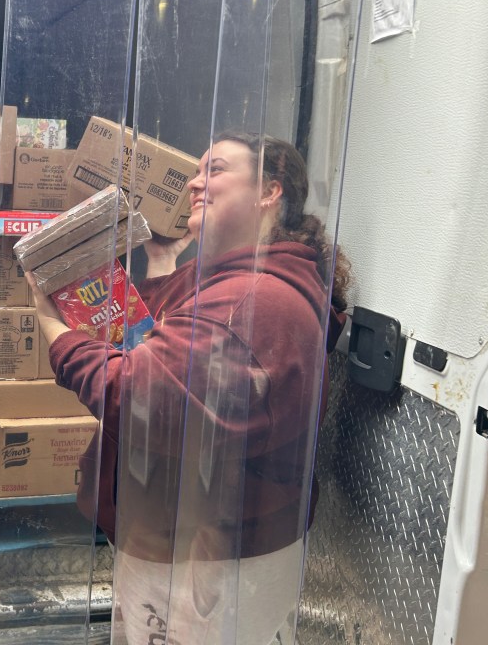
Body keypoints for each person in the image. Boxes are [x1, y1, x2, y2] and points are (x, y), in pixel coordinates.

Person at [28, 131, 350, 645]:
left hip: (207, 559)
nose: (196, 183)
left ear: (270, 192)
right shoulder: (239, 279)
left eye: (216, 170)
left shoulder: (256, 301)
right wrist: (162, 259)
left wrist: (55, 331)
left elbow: (140, 394)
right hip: (190, 543)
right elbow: (169, 324)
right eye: (197, 171)